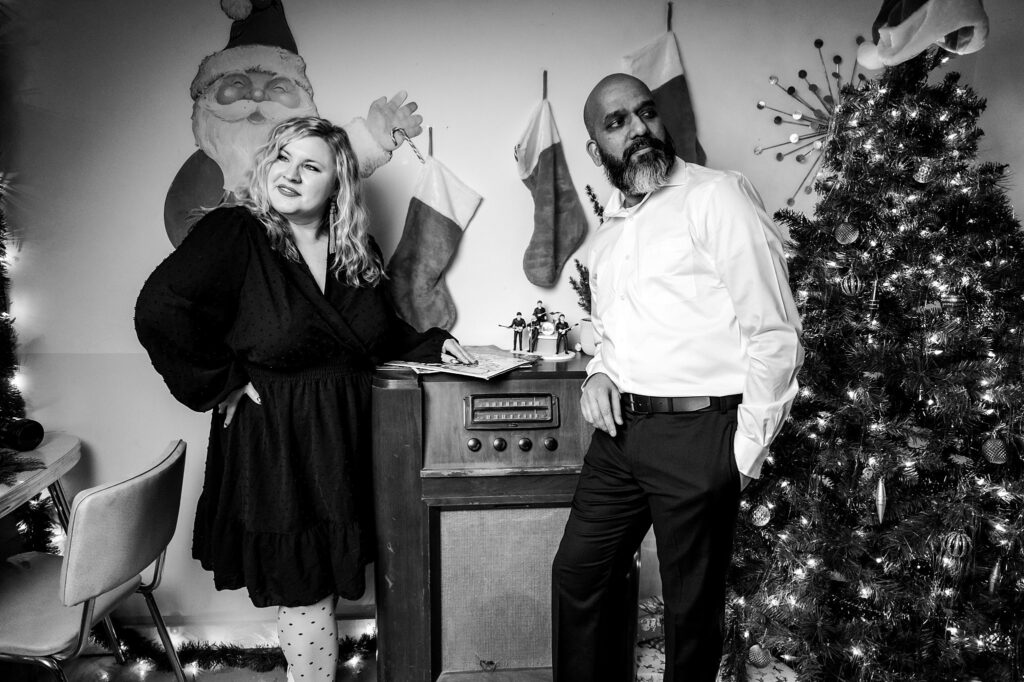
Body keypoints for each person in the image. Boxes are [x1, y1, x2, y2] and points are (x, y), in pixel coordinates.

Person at [136, 116, 475, 682]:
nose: (290, 174)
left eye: (310, 165)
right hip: (279, 442)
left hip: (344, 435)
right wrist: (223, 382)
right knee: (304, 587)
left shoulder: (353, 247)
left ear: (337, 184)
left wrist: (439, 346)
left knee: (331, 574)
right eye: (282, 159)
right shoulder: (236, 232)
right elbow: (160, 308)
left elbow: (379, 336)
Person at [551, 74, 803, 682]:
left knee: (689, 615)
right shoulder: (608, 234)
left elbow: (774, 332)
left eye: (646, 113)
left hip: (699, 435)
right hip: (619, 441)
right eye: (617, 123)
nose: (638, 129)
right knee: (580, 575)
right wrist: (597, 375)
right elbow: (611, 333)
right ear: (596, 150)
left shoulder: (716, 197)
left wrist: (741, 456)